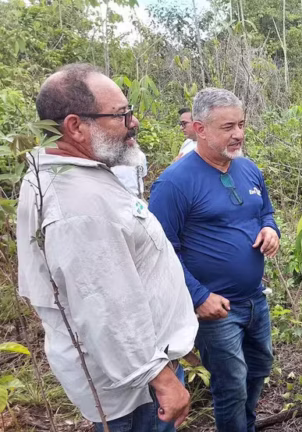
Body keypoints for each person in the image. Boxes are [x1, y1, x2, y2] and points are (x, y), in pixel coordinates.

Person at [16, 63, 197, 431]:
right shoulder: (77, 205)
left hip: (139, 375)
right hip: (135, 391)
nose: (133, 123)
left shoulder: (75, 175)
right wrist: (161, 379)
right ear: (75, 126)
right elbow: (104, 305)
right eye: (121, 115)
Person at [149, 88, 280, 432]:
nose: (238, 134)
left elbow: (265, 211)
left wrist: (270, 229)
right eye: (227, 127)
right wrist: (198, 296)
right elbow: (158, 251)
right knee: (231, 384)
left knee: (259, 367)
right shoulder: (174, 183)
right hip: (216, 307)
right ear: (199, 128)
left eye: (241, 124)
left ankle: (246, 425)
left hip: (255, 299)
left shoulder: (247, 168)